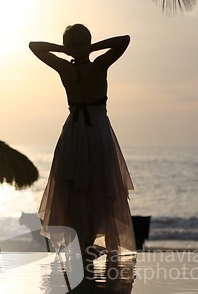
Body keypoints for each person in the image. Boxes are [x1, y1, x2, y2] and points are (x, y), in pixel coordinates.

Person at [29, 24, 136, 257]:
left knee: (78, 187)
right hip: (96, 130)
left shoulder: (65, 68)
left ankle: (83, 242)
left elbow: (34, 47)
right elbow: (123, 40)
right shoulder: (98, 65)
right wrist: (86, 49)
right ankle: (86, 242)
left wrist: (68, 50)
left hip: (75, 131)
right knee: (98, 185)